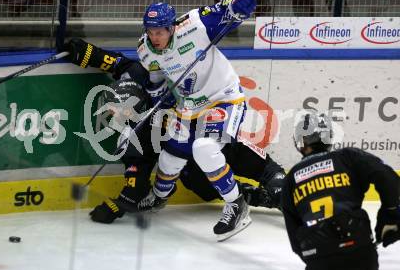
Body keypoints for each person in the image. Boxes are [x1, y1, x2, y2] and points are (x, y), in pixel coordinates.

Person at [65, 38, 285, 226]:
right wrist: (118, 206)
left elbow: (120, 63)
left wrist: (87, 53)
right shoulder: (135, 137)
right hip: (184, 158)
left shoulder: (144, 78)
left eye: (120, 111)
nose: (116, 118)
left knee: (221, 142)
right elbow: (135, 187)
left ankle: (271, 174)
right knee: (201, 182)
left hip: (201, 121)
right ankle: (255, 196)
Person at [137, 0, 256, 241]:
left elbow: (227, 13)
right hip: (189, 106)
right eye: (150, 31)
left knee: (203, 148)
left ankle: (237, 204)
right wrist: (163, 96)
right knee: (169, 159)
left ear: (172, 27)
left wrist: (238, 7)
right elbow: (156, 80)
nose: (155, 37)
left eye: (160, 31)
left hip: (223, 97)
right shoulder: (145, 51)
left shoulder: (195, 24)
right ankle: (159, 197)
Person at [281, 111, 400, 270]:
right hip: (358, 248)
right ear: (329, 137)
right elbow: (388, 178)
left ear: (300, 142)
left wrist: (319, 254)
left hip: (318, 256)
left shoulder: (290, 179)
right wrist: (391, 214)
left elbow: (295, 239)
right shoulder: (348, 157)